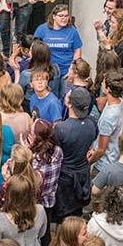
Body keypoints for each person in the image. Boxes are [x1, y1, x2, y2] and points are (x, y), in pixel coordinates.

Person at [52, 87, 98, 220]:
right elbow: (92, 142)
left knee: (64, 218)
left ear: (70, 103)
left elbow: (55, 153)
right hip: (83, 173)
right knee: (78, 212)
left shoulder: (61, 129)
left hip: (66, 177)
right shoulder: (92, 123)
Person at [27, 119, 63, 245]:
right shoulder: (58, 151)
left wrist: (27, 150)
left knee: (32, 232)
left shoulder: (33, 157)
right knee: (45, 232)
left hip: (35, 202)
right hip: (50, 200)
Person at [88, 71, 123, 173]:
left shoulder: (109, 116)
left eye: (103, 82)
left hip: (104, 164)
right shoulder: (121, 102)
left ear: (108, 89)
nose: (101, 83)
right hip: (116, 155)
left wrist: (88, 162)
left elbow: (101, 150)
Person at [33, 4, 83, 83]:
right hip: (47, 71)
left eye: (66, 16)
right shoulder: (42, 29)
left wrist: (73, 68)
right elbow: (34, 49)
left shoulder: (72, 30)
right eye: (61, 16)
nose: (64, 18)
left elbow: (77, 50)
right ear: (54, 16)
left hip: (66, 71)